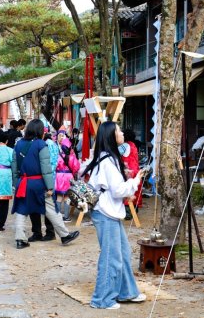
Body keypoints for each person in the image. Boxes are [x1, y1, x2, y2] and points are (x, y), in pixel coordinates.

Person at [84, 121, 146, 309]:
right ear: (112, 136)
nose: (121, 133)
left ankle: (127, 291)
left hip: (107, 211)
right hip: (106, 212)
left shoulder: (107, 158)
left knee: (123, 253)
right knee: (111, 257)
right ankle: (102, 299)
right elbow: (118, 190)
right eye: (118, 130)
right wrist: (135, 181)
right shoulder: (108, 161)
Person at [11, 119, 79, 249]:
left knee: (22, 210)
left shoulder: (18, 145)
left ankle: (20, 240)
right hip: (38, 183)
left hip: (23, 182)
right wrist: (49, 187)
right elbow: (46, 168)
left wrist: (16, 184)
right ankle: (64, 235)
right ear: (40, 131)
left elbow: (14, 167)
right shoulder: (41, 145)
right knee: (51, 209)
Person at [29, 128, 60, 242]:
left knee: (43, 207)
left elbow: (48, 165)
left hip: (44, 179)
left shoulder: (45, 145)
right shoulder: (51, 145)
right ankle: (48, 232)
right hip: (48, 178)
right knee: (47, 207)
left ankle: (43, 232)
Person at [55, 135, 79, 221]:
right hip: (69, 177)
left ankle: (56, 216)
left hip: (59, 177)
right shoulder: (72, 157)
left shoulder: (58, 156)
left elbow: (54, 165)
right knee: (67, 197)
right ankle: (66, 216)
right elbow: (76, 168)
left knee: (59, 197)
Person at [122, 129, 143, 220]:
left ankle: (128, 213)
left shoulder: (124, 145)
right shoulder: (133, 144)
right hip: (135, 169)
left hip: (128, 170)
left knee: (128, 191)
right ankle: (135, 209)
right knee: (135, 191)